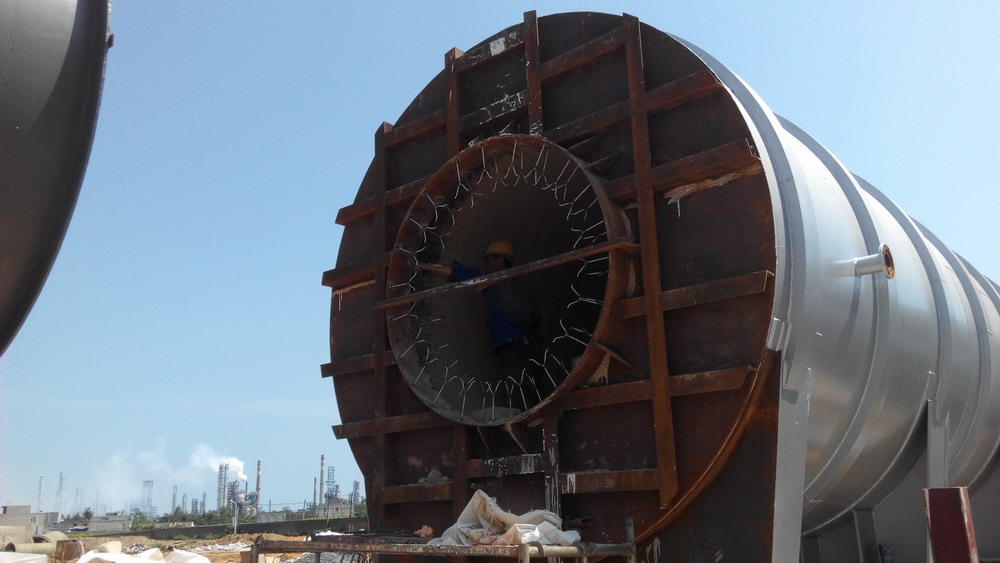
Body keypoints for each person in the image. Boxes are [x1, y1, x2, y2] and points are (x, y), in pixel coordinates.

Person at [418, 241, 544, 397]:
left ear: (500, 259)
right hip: (533, 342)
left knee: (520, 390)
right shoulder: (515, 282)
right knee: (536, 387)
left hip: (512, 346)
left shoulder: (490, 278)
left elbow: (459, 273)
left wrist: (427, 266)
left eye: (489, 259)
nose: (486, 263)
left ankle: (530, 412)